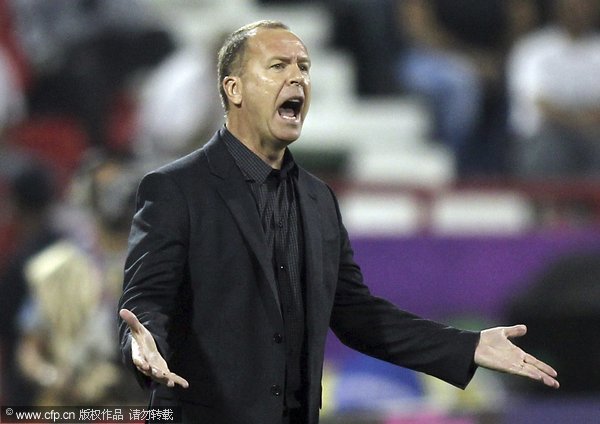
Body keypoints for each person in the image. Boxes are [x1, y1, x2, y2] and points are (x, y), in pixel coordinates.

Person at [118, 20, 559, 424]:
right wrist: (144, 343)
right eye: (277, 66)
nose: (297, 78)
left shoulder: (317, 198)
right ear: (234, 89)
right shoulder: (175, 188)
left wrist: (467, 347)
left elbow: (356, 315)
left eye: (304, 67)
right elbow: (145, 300)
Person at [507, 0, 600, 178]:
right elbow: (538, 103)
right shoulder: (533, 48)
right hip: (543, 136)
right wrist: (577, 121)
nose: (579, 11)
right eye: (573, 5)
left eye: (586, 5)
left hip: (593, 135)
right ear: (559, 7)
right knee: (550, 145)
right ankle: (544, 205)